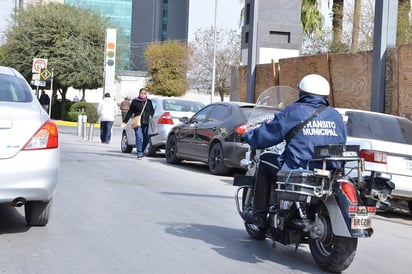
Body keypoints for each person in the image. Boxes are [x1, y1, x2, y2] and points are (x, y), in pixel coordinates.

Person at [241, 74, 347, 228]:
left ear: (301, 92)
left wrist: (248, 134)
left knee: (264, 160)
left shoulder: (294, 111)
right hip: (328, 170)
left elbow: (268, 134)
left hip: (299, 168)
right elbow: (342, 141)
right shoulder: (335, 115)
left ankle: (259, 215)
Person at [121, 88, 154, 160]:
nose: (143, 95)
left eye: (144, 94)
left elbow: (152, 111)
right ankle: (139, 153)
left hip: (146, 122)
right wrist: (125, 121)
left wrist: (150, 117)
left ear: (146, 94)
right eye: (142, 93)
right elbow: (130, 112)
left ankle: (142, 150)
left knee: (146, 138)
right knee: (139, 137)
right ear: (139, 93)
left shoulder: (148, 102)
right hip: (137, 122)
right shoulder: (135, 101)